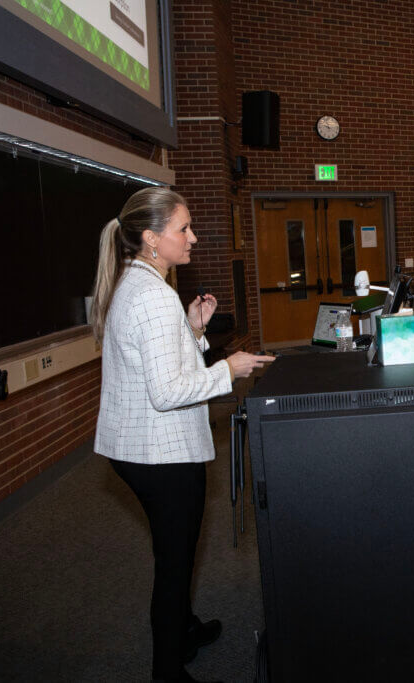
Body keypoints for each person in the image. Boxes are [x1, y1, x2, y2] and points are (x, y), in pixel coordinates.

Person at [91, 187, 275, 682]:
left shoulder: (142, 281)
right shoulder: (150, 294)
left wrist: (193, 329)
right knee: (174, 564)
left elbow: (162, 362)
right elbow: (168, 391)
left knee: (174, 550)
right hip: (158, 455)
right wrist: (227, 368)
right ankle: (167, 671)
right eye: (183, 229)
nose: (193, 237)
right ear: (152, 239)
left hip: (142, 449)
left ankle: (185, 630)